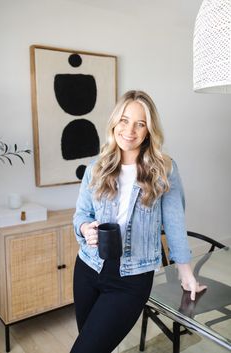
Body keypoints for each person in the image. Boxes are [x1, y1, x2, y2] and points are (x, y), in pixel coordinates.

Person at [70, 90, 206, 353]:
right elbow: (81, 215)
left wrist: (186, 273)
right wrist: (85, 228)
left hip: (131, 279)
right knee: (92, 343)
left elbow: (175, 223)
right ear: (114, 123)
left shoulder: (164, 169)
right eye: (124, 120)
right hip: (88, 268)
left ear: (148, 130)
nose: (129, 130)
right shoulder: (95, 168)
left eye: (140, 123)